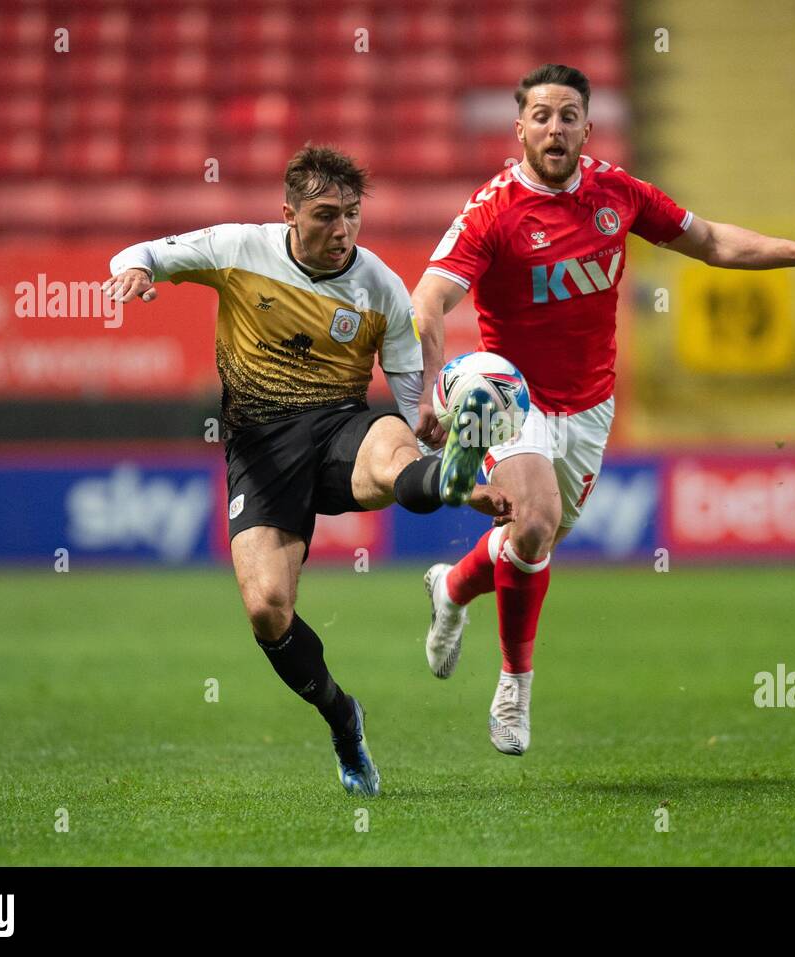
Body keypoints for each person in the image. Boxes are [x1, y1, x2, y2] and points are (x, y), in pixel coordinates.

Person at [411, 64, 795, 755]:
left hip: (591, 408)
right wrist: (425, 390)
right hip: (513, 396)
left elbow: (711, 241)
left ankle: (451, 587)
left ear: (587, 126)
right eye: (541, 115)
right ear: (519, 129)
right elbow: (427, 301)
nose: (555, 127)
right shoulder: (493, 211)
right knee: (533, 522)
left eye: (568, 114)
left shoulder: (617, 194)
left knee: (530, 541)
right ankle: (515, 684)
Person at [103, 145, 510, 795]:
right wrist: (133, 273)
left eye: (352, 214)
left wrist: (432, 429)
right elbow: (143, 253)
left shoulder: (379, 286)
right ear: (288, 213)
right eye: (326, 215)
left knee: (400, 461)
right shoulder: (239, 247)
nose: (343, 230)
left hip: (341, 428)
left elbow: (409, 407)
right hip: (261, 453)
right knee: (268, 608)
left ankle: (452, 481)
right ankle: (343, 716)